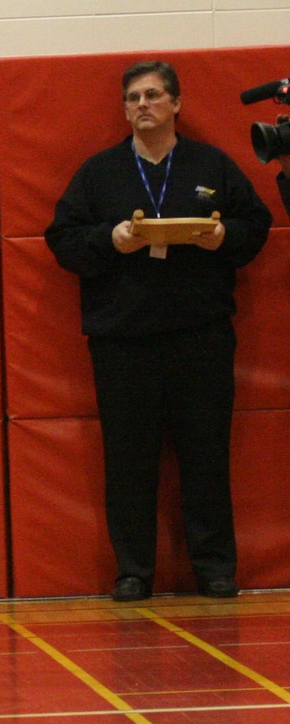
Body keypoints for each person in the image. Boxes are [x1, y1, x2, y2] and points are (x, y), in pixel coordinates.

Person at [45, 59, 273, 602]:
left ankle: (214, 568)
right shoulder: (99, 172)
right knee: (128, 458)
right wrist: (111, 240)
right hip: (123, 340)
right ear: (125, 110)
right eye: (133, 98)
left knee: (206, 455)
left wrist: (224, 237)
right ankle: (133, 571)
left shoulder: (211, 165)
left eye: (152, 95)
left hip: (201, 335)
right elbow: (63, 239)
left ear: (176, 104)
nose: (142, 105)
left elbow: (256, 224)